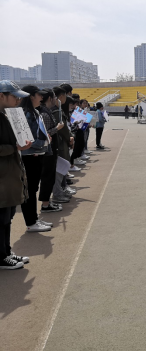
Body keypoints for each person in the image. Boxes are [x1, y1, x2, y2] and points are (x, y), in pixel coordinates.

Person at [0, 81, 32, 269]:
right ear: (1, 96)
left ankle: (6, 251)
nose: (18, 100)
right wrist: (15, 147)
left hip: (10, 175)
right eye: (14, 96)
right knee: (1, 218)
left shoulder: (7, 116)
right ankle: (1, 257)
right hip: (2, 178)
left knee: (7, 216)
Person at [19, 85, 53, 232]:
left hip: (36, 154)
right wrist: (43, 143)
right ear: (31, 96)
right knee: (30, 190)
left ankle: (34, 219)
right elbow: (26, 139)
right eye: (39, 95)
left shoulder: (34, 112)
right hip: (29, 156)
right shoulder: (27, 114)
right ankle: (31, 222)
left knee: (33, 189)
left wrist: (44, 141)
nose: (41, 97)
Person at [38, 89, 64, 214]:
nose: (56, 100)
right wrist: (57, 128)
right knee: (47, 177)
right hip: (47, 150)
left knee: (50, 177)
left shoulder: (46, 111)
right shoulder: (44, 114)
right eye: (54, 97)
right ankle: (45, 204)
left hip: (50, 149)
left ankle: (47, 202)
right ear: (50, 98)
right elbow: (45, 134)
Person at [51, 88, 74, 204]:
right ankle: (58, 192)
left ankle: (62, 189)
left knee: (63, 168)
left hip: (62, 142)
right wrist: (69, 138)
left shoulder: (58, 110)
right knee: (60, 169)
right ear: (60, 96)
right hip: (60, 143)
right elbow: (62, 128)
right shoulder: (56, 111)